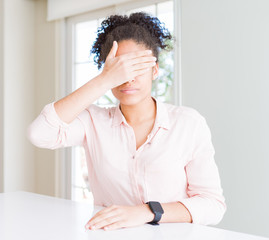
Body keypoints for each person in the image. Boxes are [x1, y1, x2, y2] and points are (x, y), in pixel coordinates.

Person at [27, 12, 226, 231]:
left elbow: (212, 204)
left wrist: (146, 211)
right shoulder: (94, 121)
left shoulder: (188, 124)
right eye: (119, 69)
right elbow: (40, 134)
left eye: (136, 66)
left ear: (155, 69)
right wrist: (103, 80)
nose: (128, 78)